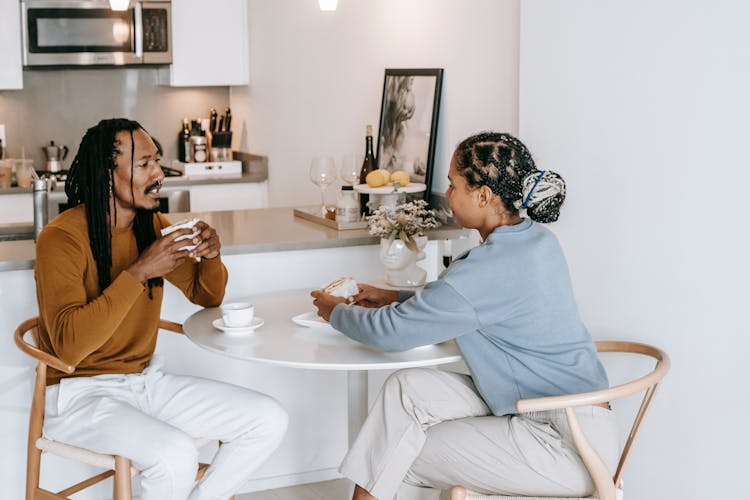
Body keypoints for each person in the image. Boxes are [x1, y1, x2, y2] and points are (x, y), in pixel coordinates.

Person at [311, 132, 619, 499]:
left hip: (563, 446)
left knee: (393, 450)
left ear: (483, 195)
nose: (448, 194)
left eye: (453, 184)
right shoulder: (537, 241)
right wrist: (395, 295)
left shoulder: (490, 267)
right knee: (406, 390)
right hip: (570, 416)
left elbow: (392, 333)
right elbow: (474, 304)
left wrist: (336, 312)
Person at [34, 118, 288, 500]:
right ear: (107, 176)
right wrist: (138, 272)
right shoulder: (60, 239)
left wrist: (211, 256)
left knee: (268, 419)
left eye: (158, 161)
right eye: (144, 164)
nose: (159, 174)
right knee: (175, 454)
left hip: (145, 382)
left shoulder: (151, 226)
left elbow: (207, 297)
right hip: (79, 396)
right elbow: (69, 347)